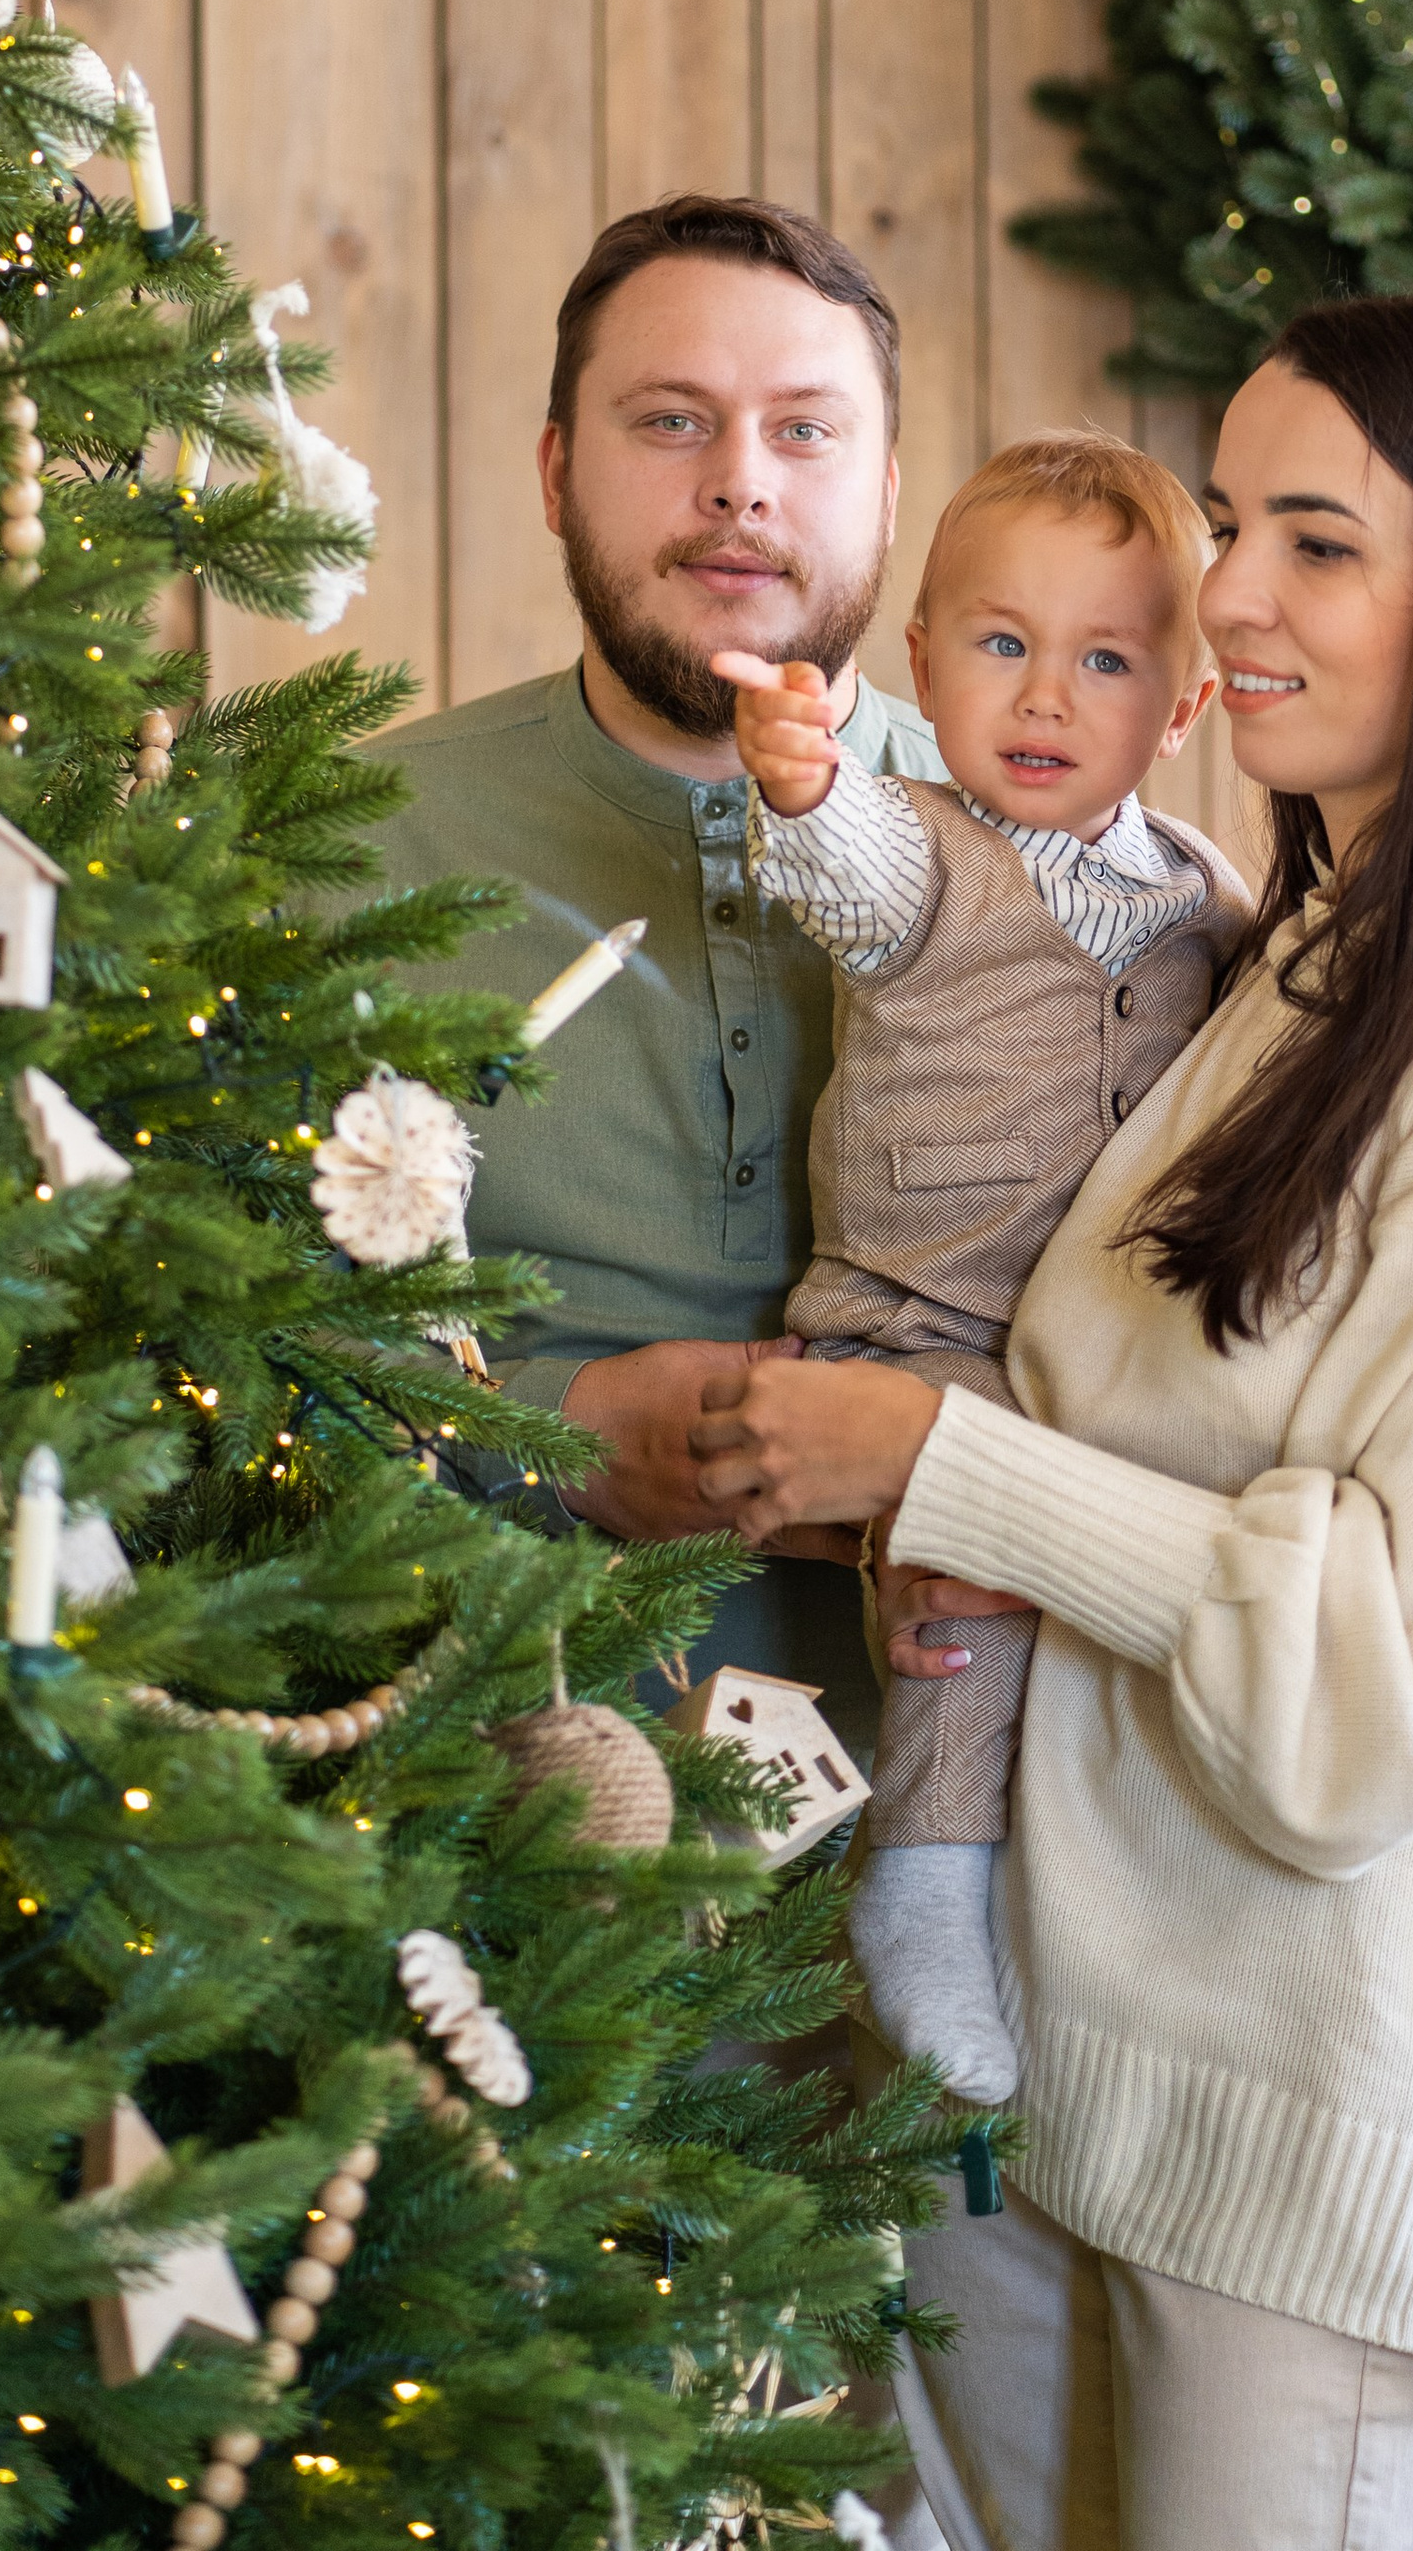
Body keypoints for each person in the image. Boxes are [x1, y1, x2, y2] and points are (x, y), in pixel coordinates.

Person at [686, 297, 1413, 2551]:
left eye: (1317, 544)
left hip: (1301, 2160)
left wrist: (935, 1465)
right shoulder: (1291, 951)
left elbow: (1374, 1688)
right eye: (1231, 518)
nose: (1225, 596)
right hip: (1081, 2079)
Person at [713, 432, 1246, 2107]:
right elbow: (841, 867)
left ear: (1183, 709)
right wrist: (800, 778)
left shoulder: (1210, 901)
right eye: (1001, 644)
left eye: (1105, 659)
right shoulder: (921, 852)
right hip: (918, 1324)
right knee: (957, 1594)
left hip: (1107, 1351)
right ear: (923, 664)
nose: (1043, 695)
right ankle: (923, 1872)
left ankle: (1096, 1890)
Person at [384, 193, 942, 1741]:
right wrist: (541, 1433)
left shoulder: (1058, 876)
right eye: (672, 420)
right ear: (558, 472)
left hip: (977, 1867)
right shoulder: (341, 848)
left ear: (889, 494)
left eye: (806, 433)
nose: (740, 483)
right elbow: (190, 1334)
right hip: (472, 1848)